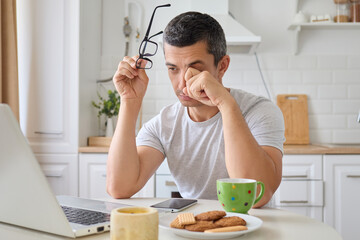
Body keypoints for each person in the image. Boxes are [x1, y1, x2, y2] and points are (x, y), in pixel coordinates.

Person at [106, 11, 285, 207]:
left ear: (222, 66)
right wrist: (129, 101)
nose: (183, 83)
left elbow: (258, 195)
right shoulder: (164, 124)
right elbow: (119, 187)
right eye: (173, 69)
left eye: (196, 68)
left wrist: (225, 103)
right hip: (195, 229)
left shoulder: (259, 111)